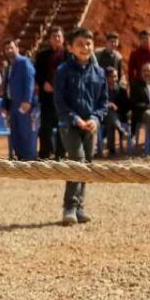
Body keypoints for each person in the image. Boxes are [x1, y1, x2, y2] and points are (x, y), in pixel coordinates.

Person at [54, 29, 107, 225]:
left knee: (87, 164)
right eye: (80, 44)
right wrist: (75, 118)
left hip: (90, 126)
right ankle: (69, 207)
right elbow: (59, 101)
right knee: (77, 159)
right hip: (69, 124)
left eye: (88, 44)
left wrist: (95, 118)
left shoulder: (99, 73)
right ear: (70, 48)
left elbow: (103, 102)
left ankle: (80, 206)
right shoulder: (62, 71)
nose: (85, 48)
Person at [33, 27, 66, 160]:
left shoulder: (68, 56)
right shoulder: (41, 55)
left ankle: (60, 155)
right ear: (49, 39)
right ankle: (44, 154)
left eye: (59, 36)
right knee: (45, 127)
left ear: (63, 39)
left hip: (63, 97)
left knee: (62, 127)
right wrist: (43, 83)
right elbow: (37, 74)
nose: (57, 39)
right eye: (54, 36)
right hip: (46, 96)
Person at [4, 40, 36, 160]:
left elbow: (29, 81)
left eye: (11, 48)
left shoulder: (24, 62)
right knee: (16, 132)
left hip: (23, 104)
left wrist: (27, 100)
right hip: (12, 104)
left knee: (25, 132)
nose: (9, 50)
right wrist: (4, 104)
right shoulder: (9, 66)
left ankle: (29, 159)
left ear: (17, 48)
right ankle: (21, 158)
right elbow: (6, 87)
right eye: (7, 48)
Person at [101, 66, 132, 156]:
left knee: (111, 118)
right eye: (112, 76)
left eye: (116, 76)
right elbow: (97, 103)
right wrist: (107, 104)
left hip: (119, 115)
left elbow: (127, 106)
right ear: (106, 77)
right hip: (104, 115)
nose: (114, 79)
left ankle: (112, 151)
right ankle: (122, 131)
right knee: (110, 114)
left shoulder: (121, 90)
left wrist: (117, 107)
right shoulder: (101, 89)